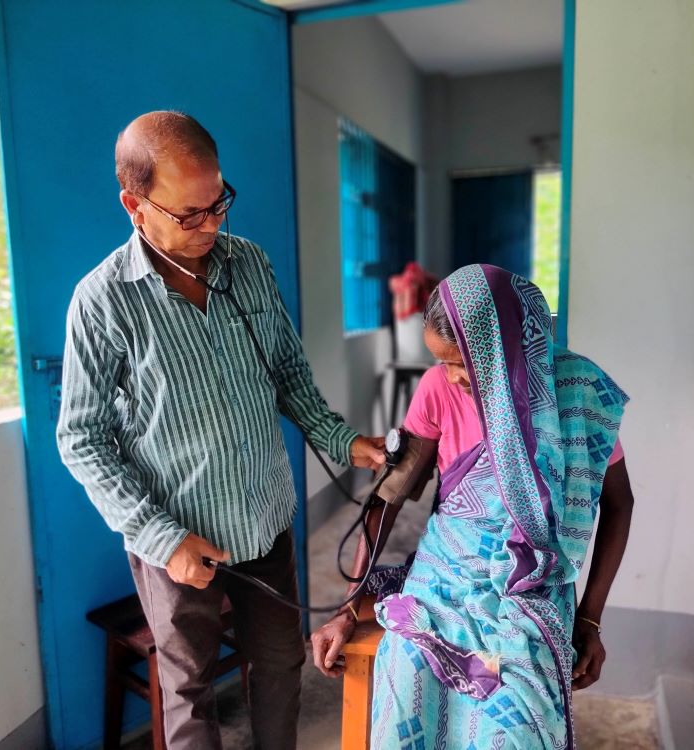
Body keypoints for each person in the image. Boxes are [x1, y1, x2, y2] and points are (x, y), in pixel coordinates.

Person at [56, 110, 385, 750]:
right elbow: (82, 438)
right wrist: (162, 536)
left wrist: (340, 438)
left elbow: (287, 370)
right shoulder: (102, 302)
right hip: (177, 539)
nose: (212, 224)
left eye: (219, 203)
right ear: (135, 204)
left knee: (281, 666)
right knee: (186, 692)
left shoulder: (249, 265)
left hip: (264, 518)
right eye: (190, 214)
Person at [311, 264, 635, 749]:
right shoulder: (439, 389)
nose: (453, 377)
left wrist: (589, 619)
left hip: (528, 589)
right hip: (444, 574)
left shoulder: (576, 395)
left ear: (506, 349)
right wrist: (346, 607)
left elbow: (620, 504)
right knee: (408, 682)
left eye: (463, 363)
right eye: (442, 361)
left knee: (517, 721)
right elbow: (387, 500)